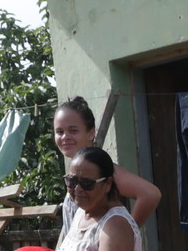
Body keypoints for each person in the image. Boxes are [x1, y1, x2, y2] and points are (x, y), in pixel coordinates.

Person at [51, 96, 161, 231]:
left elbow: (150, 194)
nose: (65, 137)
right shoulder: (74, 173)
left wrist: (128, 233)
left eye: (73, 131)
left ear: (91, 133)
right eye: (59, 132)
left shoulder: (102, 170)